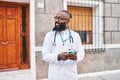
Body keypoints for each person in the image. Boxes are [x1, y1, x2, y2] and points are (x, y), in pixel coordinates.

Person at [42, 10, 85, 80]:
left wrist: (76, 56)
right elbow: (45, 55)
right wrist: (58, 56)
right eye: (56, 18)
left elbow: (81, 53)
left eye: (61, 19)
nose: (57, 20)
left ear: (68, 21)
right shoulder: (49, 35)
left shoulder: (75, 35)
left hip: (71, 75)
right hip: (55, 75)